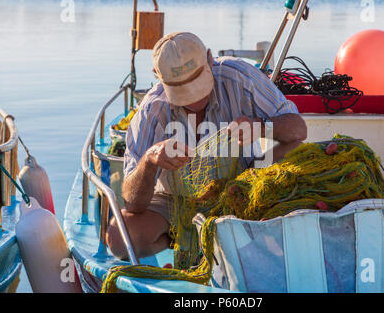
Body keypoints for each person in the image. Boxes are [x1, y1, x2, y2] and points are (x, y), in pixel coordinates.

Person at [106, 32, 307, 260]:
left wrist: (262, 127)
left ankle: (255, 227)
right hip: (175, 200)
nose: (193, 99)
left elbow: (298, 130)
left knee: (296, 149)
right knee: (118, 237)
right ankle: (185, 236)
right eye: (182, 90)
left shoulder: (241, 78)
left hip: (243, 187)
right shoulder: (151, 110)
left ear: (210, 59)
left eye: (198, 84)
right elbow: (132, 204)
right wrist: (150, 160)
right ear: (158, 77)